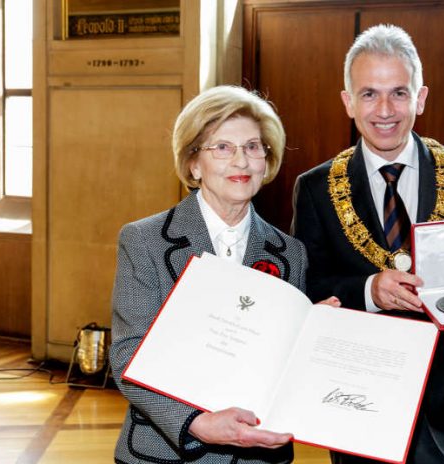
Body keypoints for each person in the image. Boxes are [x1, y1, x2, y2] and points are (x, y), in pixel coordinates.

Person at [292, 25, 444, 464]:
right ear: (348, 101)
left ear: (421, 97)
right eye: (369, 94)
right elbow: (307, 285)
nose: (385, 110)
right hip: (358, 402)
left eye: (399, 92)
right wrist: (369, 290)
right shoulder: (315, 188)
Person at [110, 85, 337, 464]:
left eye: (252, 147)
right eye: (223, 147)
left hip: (259, 457)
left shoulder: (290, 253)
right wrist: (196, 423)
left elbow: (280, 368)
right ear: (194, 163)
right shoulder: (144, 240)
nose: (242, 162)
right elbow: (127, 355)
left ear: (268, 159)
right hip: (166, 452)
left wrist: (314, 338)